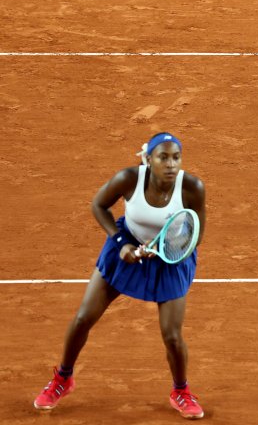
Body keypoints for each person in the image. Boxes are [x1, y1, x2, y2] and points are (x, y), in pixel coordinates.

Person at [33, 132, 207, 419]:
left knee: (173, 336)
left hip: (171, 255)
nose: (171, 164)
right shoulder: (128, 179)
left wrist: (167, 251)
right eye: (163, 157)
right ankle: (63, 379)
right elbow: (98, 206)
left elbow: (196, 235)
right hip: (125, 243)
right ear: (148, 160)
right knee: (83, 318)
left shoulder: (192, 188)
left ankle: (181, 391)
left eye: (176, 157)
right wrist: (120, 243)